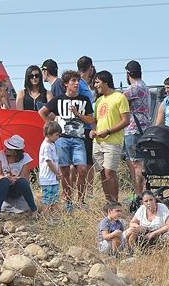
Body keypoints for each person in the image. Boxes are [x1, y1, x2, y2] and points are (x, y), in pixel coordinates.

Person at [38, 70, 94, 210]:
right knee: (64, 170)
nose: (76, 83)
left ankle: (81, 201)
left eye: (77, 81)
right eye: (73, 81)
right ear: (65, 84)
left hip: (79, 139)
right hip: (62, 139)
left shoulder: (84, 99)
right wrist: (52, 127)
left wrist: (77, 114)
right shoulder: (58, 100)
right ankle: (68, 201)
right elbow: (42, 112)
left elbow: (90, 120)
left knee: (82, 168)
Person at [91, 71, 130, 203]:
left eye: (97, 82)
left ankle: (115, 203)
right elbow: (95, 121)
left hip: (113, 142)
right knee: (102, 172)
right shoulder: (99, 100)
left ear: (106, 81)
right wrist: (93, 131)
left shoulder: (120, 97)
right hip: (97, 142)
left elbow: (125, 120)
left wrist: (108, 131)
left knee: (109, 172)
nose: (95, 85)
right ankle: (108, 202)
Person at [122, 60, 152, 197]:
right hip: (145, 128)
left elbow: (118, 101)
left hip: (133, 129)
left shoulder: (133, 89)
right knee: (140, 164)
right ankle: (140, 194)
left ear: (128, 74)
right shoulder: (145, 87)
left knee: (136, 165)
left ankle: (139, 196)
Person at [0, 134, 37, 216]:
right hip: (0, 186)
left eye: (9, 149)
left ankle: (34, 210)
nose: (6, 150)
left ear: (16, 152)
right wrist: (6, 178)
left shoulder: (26, 157)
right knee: (4, 181)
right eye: (6, 147)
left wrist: (15, 179)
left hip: (16, 187)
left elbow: (24, 177)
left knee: (22, 182)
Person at [39, 121, 61, 216]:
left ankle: (55, 216)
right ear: (49, 134)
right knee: (47, 199)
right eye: (56, 135)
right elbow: (49, 162)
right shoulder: (46, 146)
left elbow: (55, 161)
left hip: (53, 178)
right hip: (47, 178)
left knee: (55, 198)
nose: (58, 137)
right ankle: (46, 217)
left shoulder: (52, 144)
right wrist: (57, 173)